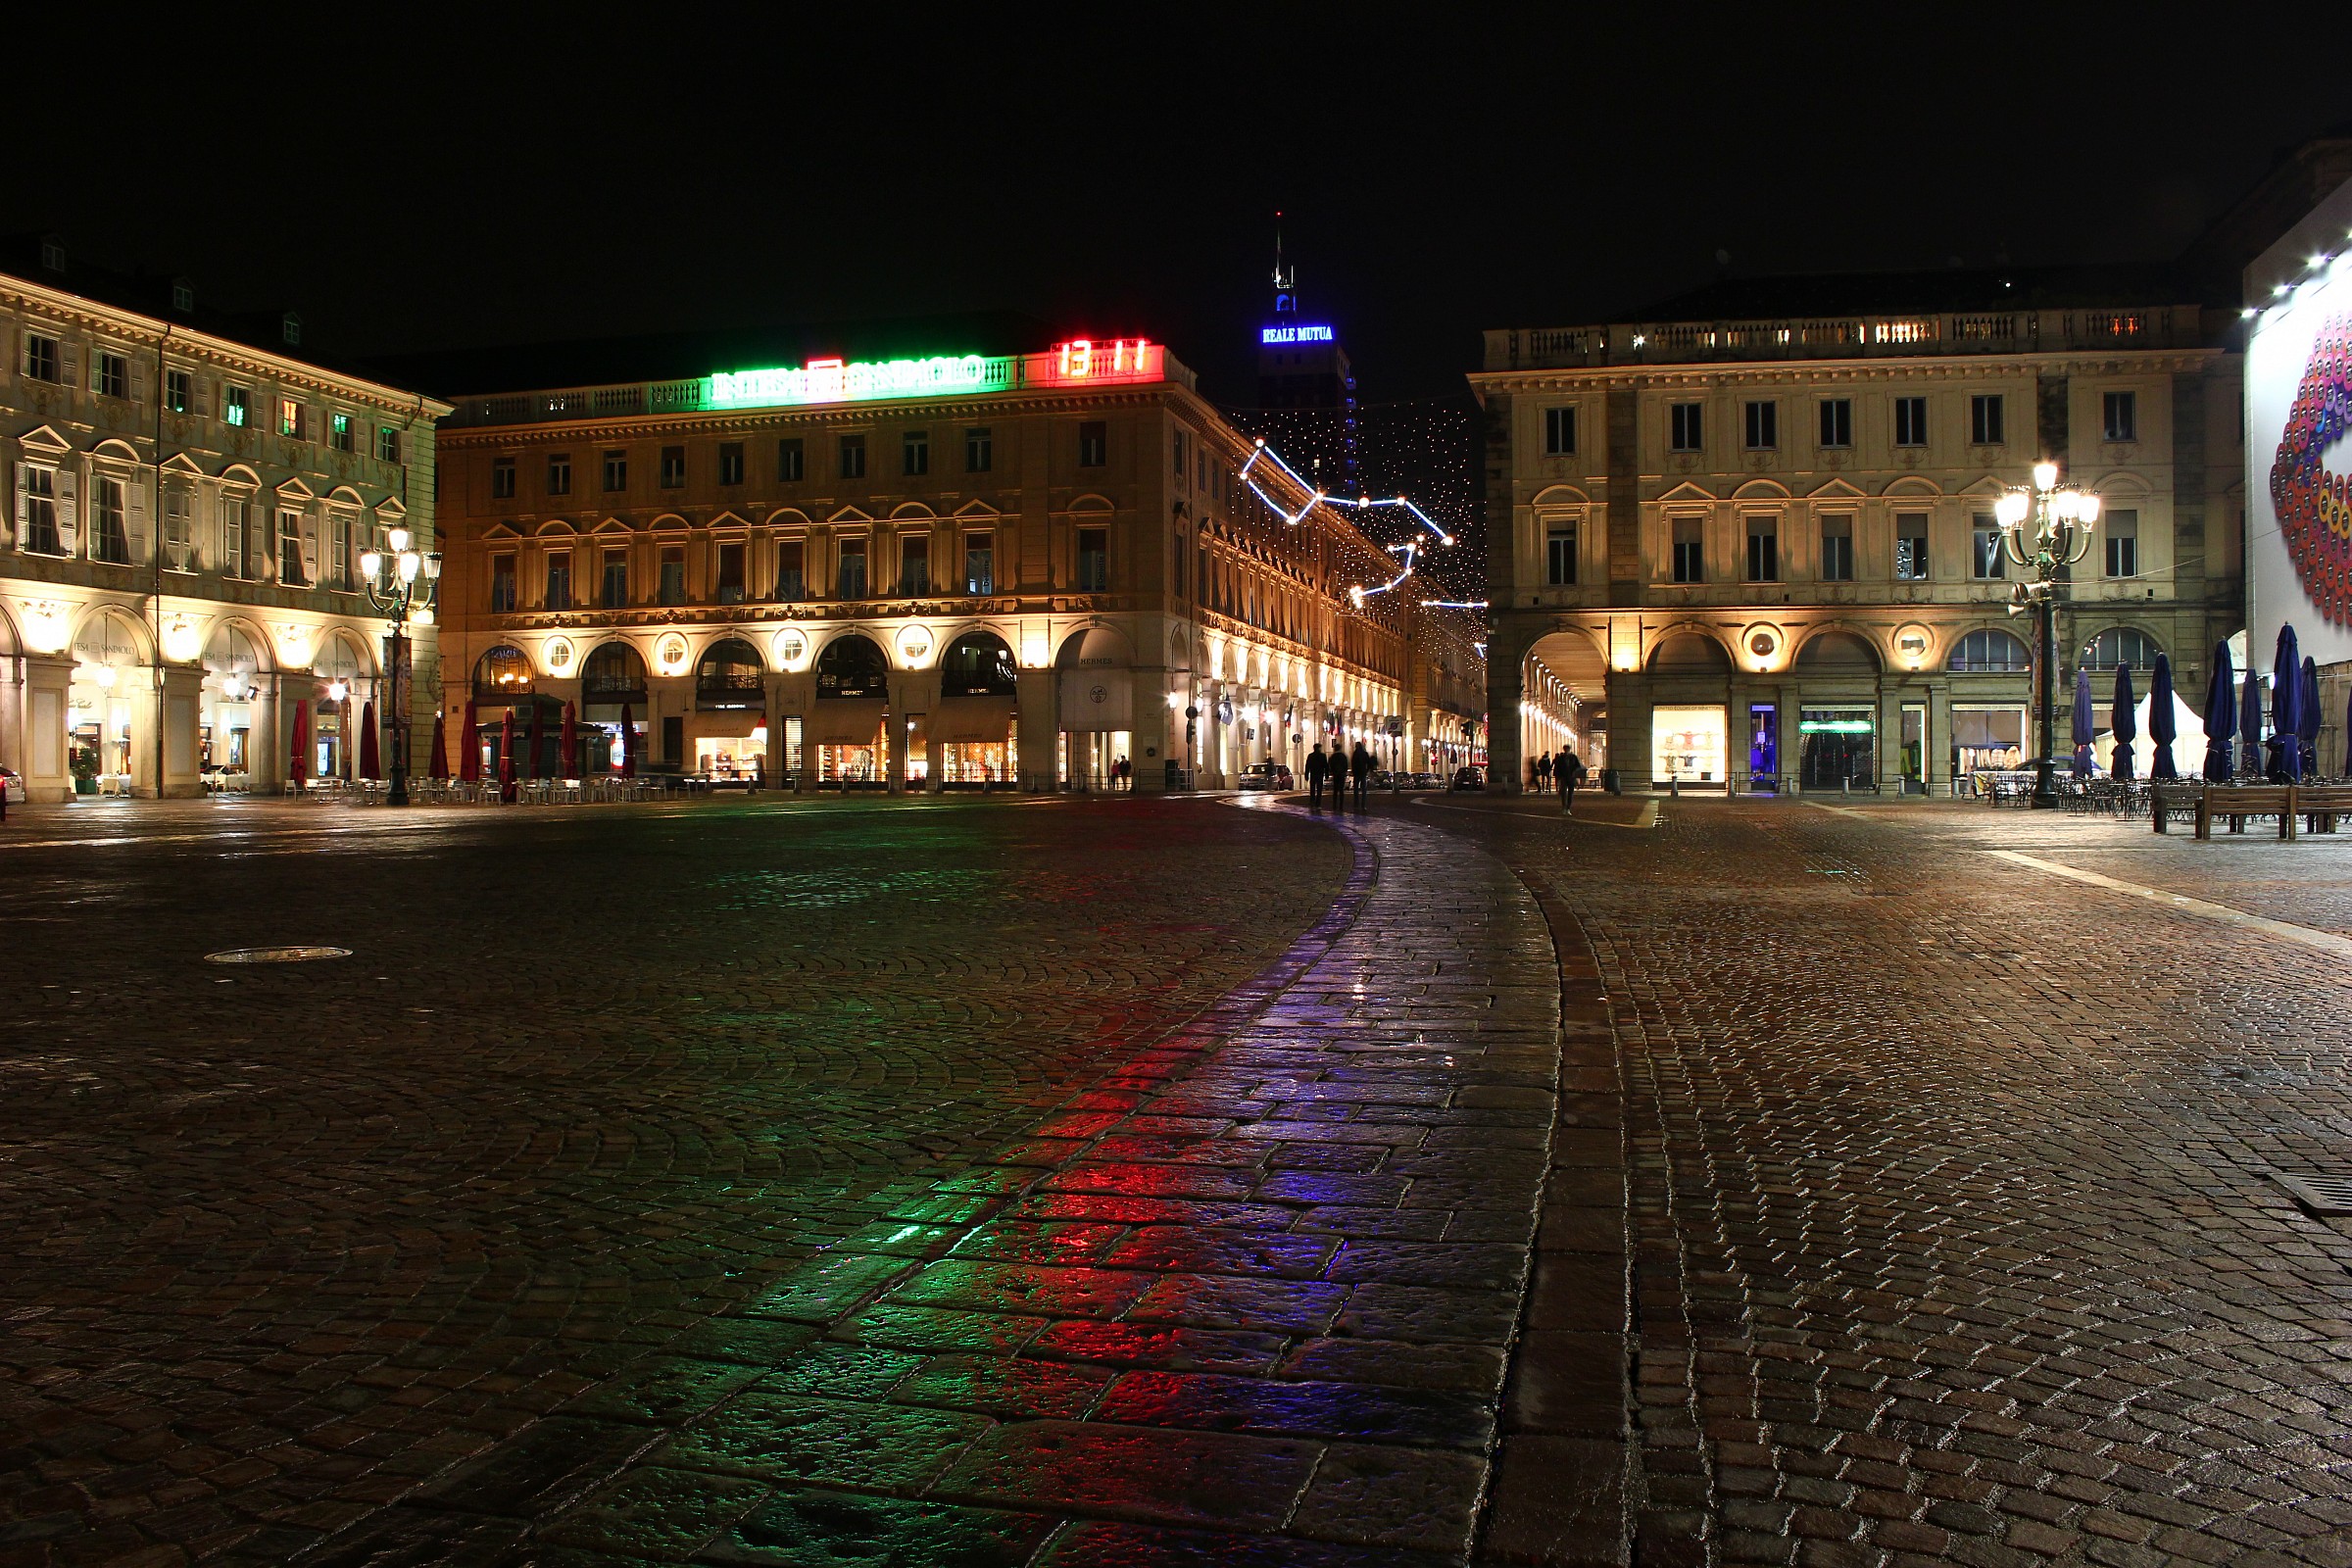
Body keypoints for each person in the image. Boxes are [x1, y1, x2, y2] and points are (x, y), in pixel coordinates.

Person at [1559, 747, 1587, 814]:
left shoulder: (1571, 757)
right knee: (1564, 793)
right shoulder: (1563, 757)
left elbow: (1578, 766)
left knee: (1569, 793)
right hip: (1565, 777)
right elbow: (1558, 767)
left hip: (1570, 777)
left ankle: (1567, 808)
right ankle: (1565, 808)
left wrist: (1574, 772)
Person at [1350, 740, 1373, 806]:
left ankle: (1356, 803)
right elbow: (1369, 763)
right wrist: (1367, 770)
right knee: (1364, 789)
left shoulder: (1355, 754)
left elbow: (1353, 763)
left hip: (1357, 773)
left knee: (1356, 789)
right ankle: (1363, 803)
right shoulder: (1364, 753)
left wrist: (1353, 771)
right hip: (1363, 773)